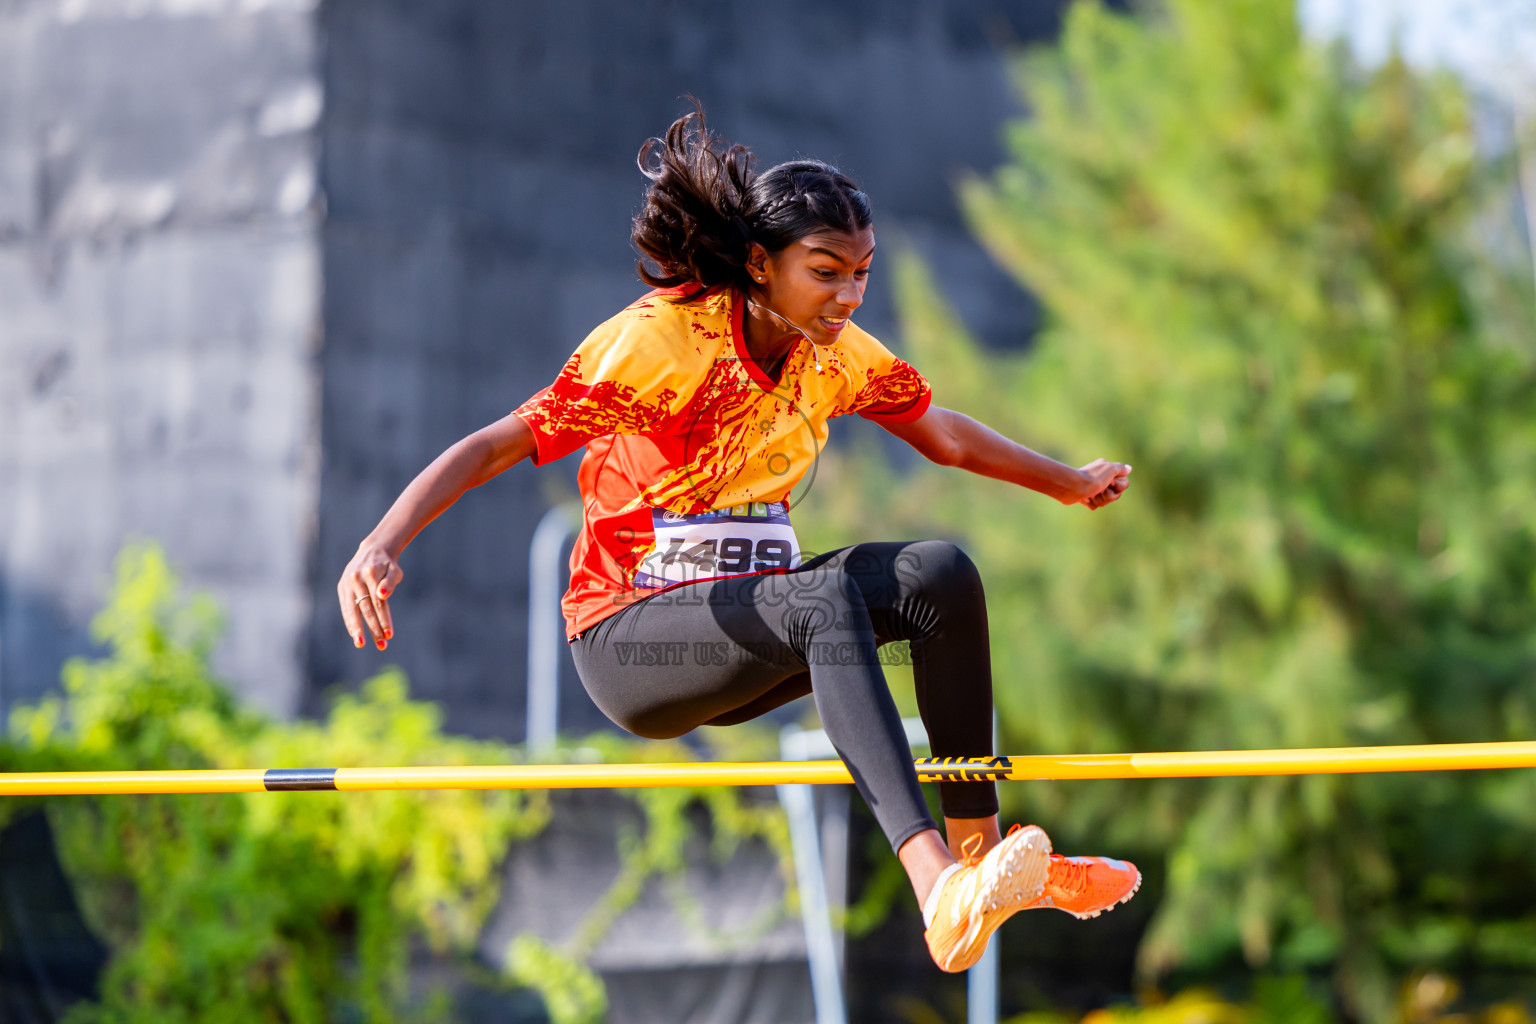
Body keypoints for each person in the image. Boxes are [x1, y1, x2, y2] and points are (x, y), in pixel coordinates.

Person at [337, 105, 1139, 973]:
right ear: (759, 263)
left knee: (937, 575)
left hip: (751, 626)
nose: (848, 297)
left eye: (862, 275)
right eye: (826, 273)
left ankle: (977, 866)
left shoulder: (835, 354)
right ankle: (933, 883)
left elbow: (939, 432)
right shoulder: (658, 344)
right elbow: (499, 442)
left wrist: (1067, 480)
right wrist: (384, 540)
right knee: (824, 597)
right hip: (629, 644)